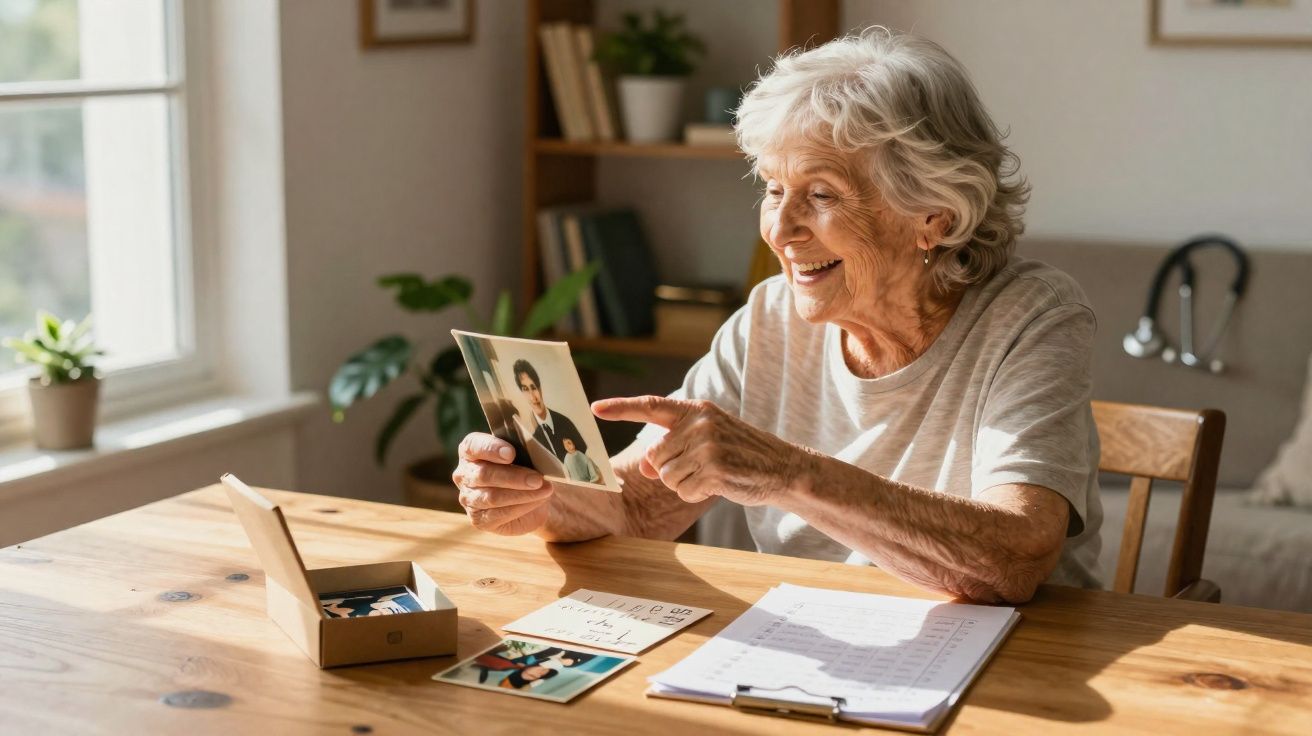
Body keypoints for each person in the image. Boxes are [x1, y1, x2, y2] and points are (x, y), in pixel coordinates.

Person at [455, 29, 1103, 604]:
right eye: (771, 189)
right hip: (811, 654)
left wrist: (790, 473)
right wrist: (534, 495)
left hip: (1019, 669)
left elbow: (1014, 560)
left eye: (821, 195)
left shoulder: (1031, 317)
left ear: (933, 215)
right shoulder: (770, 318)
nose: (782, 229)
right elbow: (636, 507)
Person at [513, 358, 588, 463]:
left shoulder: (565, 423)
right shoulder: (532, 438)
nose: (532, 397)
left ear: (540, 389)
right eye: (525, 389)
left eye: (533, 387)